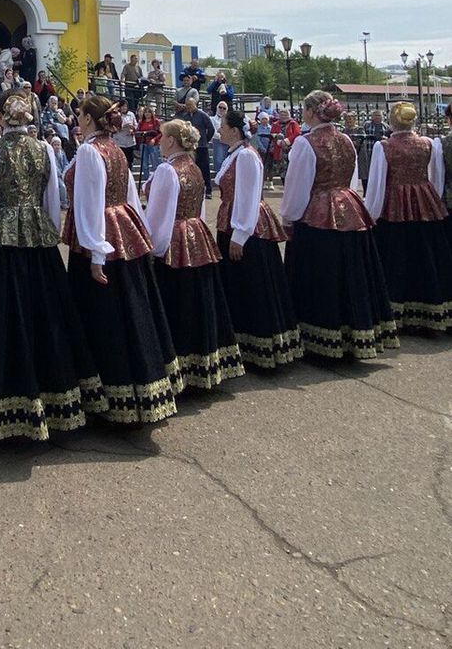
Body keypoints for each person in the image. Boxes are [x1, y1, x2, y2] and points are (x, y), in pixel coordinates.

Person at [0, 92, 105, 440]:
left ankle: (8, 406)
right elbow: (52, 200)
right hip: (38, 242)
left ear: (4, 119)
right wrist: (47, 231)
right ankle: (55, 403)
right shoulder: (45, 150)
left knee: (7, 317)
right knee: (44, 314)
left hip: (3, 243)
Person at [64, 95, 182, 424]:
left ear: (88, 119)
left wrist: (96, 253)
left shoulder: (91, 151)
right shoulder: (114, 148)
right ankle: (141, 386)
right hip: (124, 228)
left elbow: (90, 203)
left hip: (100, 237)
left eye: (81, 114)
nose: (77, 118)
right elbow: (128, 194)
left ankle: (109, 396)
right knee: (129, 308)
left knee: (105, 315)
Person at [281, 91, 398, 361]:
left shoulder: (305, 143)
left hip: (319, 215)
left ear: (311, 112)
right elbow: (353, 177)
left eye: (304, 109)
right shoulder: (346, 139)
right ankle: (356, 331)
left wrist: (288, 218)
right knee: (351, 272)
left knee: (322, 275)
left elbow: (297, 186)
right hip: (350, 207)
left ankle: (321, 334)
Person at [143, 120, 244, 390]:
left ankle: (178, 367)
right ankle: (202, 364)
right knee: (196, 297)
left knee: (176, 300)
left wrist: (152, 250)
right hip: (197, 235)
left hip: (175, 240)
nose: (159, 140)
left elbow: (159, 216)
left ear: (172, 141)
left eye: (162, 136)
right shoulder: (195, 168)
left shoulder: (167, 170)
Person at [214, 110, 303, 368]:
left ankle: (262, 344)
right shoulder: (235, 155)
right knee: (239, 285)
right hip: (231, 222)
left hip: (247, 227)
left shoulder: (246, 157)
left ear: (234, 129)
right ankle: (244, 343)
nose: (219, 129)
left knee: (254, 283)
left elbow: (249, 197)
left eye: (223, 125)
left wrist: (240, 235)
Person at [364, 102, 450, 334]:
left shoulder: (385, 146)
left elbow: (377, 184)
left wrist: (371, 214)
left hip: (395, 203)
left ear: (392, 121)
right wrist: (432, 200)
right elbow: (436, 177)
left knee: (397, 254)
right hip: (426, 200)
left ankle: (396, 311)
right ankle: (432, 308)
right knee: (427, 253)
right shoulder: (429, 144)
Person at [184, 98, 215, 198]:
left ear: (195, 104)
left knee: (204, 168)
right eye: (187, 105)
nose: (188, 107)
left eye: (190, 105)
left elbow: (211, 128)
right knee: (191, 169)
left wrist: (206, 139)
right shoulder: (185, 117)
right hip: (190, 148)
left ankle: (208, 190)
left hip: (201, 146)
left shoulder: (202, 115)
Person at [137, 104, 162, 182]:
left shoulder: (156, 121)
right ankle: (146, 179)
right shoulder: (141, 122)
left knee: (155, 162)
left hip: (154, 144)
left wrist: (154, 139)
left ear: (152, 113)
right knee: (144, 163)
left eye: (149, 112)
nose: (147, 114)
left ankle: (157, 179)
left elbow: (160, 133)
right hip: (144, 143)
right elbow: (138, 132)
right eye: (146, 112)